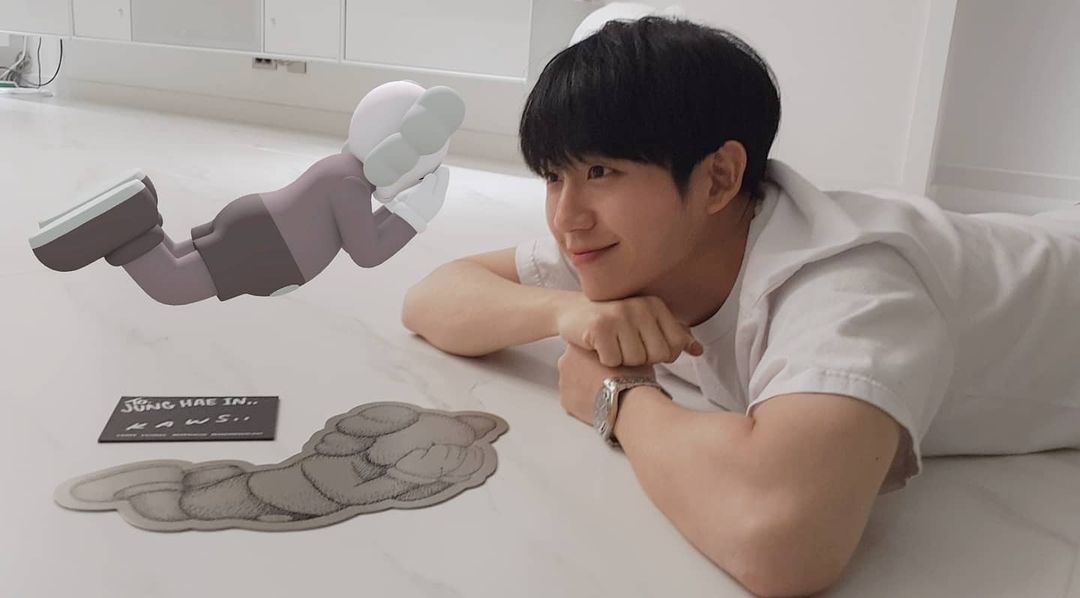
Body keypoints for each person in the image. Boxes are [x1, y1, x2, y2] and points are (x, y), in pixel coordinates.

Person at [401, 16, 1080, 597]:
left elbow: (785, 540)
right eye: (554, 176)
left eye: (601, 172)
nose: (565, 217)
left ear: (719, 178)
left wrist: (619, 398)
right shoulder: (631, 248)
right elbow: (432, 296)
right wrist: (564, 314)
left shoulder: (850, 286)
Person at [29, 80, 463, 304]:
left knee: (176, 257)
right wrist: (412, 216)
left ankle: (134, 209)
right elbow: (367, 252)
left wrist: (400, 211)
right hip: (271, 248)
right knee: (172, 285)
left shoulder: (341, 169)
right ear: (398, 155)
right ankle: (121, 224)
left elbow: (361, 231)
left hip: (256, 222)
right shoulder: (350, 187)